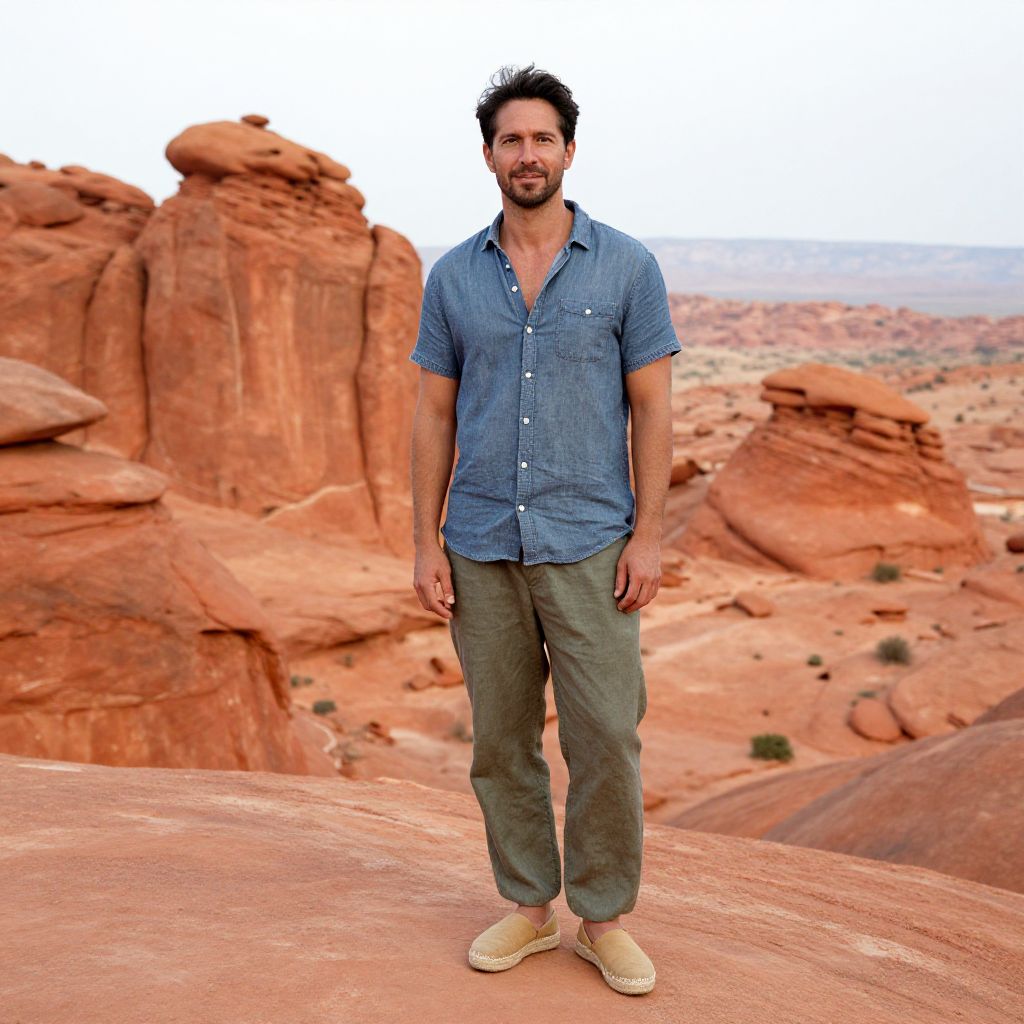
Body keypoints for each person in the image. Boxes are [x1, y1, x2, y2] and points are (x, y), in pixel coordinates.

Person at [408, 64, 680, 996]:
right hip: (481, 544)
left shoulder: (627, 266)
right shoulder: (452, 275)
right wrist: (422, 540)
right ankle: (529, 908)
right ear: (488, 154)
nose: (528, 154)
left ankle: (601, 919)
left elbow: (653, 408)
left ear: (570, 149)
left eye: (543, 138)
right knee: (502, 741)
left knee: (606, 734)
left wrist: (650, 536)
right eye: (510, 139)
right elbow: (433, 415)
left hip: (593, 544)